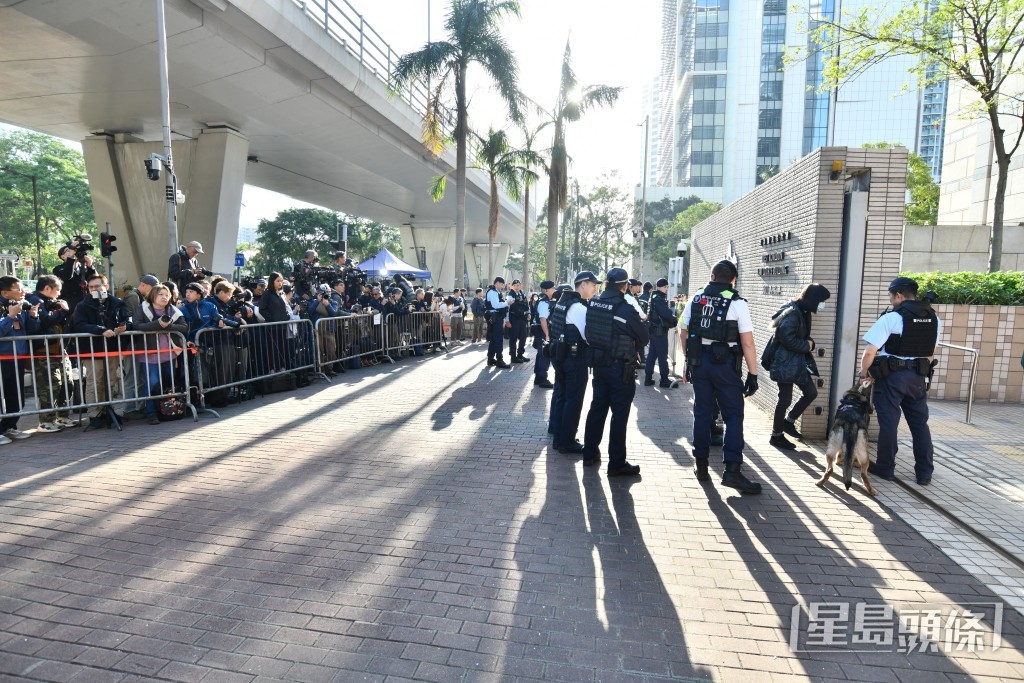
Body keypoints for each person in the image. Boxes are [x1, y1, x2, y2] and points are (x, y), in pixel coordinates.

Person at [679, 259, 762, 494]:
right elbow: (747, 343)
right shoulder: (737, 304)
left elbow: (683, 331)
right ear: (733, 280)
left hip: (699, 363)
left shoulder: (696, 298)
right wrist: (753, 374)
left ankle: (702, 465)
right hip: (725, 365)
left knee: (702, 413)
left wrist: (689, 360)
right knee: (733, 416)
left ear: (712, 277)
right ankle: (732, 471)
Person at [860, 276, 941, 486]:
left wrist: (863, 372)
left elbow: (870, 352)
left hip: (891, 378)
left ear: (899, 295)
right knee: (920, 425)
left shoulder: (891, 318)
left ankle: (886, 467)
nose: (890, 299)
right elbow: (930, 353)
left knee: (889, 423)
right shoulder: (934, 319)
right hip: (917, 378)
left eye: (890, 295)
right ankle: (924, 473)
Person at [581, 268, 650, 476]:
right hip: (620, 368)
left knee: (597, 409)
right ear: (624, 286)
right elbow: (644, 337)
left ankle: (589, 453)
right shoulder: (625, 309)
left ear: (605, 284)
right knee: (619, 415)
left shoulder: (593, 304)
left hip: (599, 366)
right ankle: (617, 463)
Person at [767, 283, 832, 450]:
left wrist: (809, 343)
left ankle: (788, 422)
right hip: (786, 362)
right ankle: (776, 435)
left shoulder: (803, 311)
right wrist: (807, 345)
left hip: (797, 362)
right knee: (785, 399)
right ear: (813, 299)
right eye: (821, 301)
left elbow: (802, 336)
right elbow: (786, 337)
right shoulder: (793, 313)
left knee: (811, 392)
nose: (822, 305)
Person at [71, 273, 129, 425]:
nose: (94, 289)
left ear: (106, 287)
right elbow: (79, 325)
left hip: (112, 348)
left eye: (97, 286)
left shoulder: (117, 303)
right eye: (91, 287)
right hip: (92, 350)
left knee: (110, 381)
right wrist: (100, 330)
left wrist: (124, 326)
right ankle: (95, 414)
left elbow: (127, 319)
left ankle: (107, 410)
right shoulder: (83, 305)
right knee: (94, 382)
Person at [549, 275, 598, 453]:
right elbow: (588, 336)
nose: (594, 289)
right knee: (574, 400)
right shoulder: (578, 308)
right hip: (575, 359)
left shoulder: (563, 303)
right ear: (583, 285)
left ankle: (560, 437)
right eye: (593, 285)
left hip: (561, 357)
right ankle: (567, 441)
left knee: (562, 396)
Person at [131, 285, 187, 424]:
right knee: (153, 384)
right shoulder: (142, 308)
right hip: (149, 354)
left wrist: (168, 326)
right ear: (153, 296)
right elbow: (137, 325)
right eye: (160, 294)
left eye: (166, 295)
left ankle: (168, 410)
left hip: (170, 354)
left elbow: (184, 327)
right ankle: (152, 412)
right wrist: (157, 324)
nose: (164, 297)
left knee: (169, 383)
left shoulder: (174, 310)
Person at [26, 275, 74, 432]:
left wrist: (62, 311)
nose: (59, 294)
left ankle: (62, 415)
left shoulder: (49, 303)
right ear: (47, 288)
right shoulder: (35, 301)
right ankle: (46, 421)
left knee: (67, 383)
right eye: (57, 290)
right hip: (44, 351)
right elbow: (45, 321)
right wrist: (63, 311)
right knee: (49, 386)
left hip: (59, 349)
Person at [0, 276, 40, 444]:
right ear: (5, 292)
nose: (23, 291)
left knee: (16, 396)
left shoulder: (21, 305)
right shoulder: (7, 308)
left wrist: (32, 316)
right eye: (19, 288)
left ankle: (9, 427)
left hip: (17, 358)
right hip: (2, 359)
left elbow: (31, 330)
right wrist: (10, 316)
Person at [644, 277, 679, 387]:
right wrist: (675, 319)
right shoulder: (659, 298)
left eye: (667, 287)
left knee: (652, 355)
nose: (667, 289)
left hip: (654, 331)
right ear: (658, 287)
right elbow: (667, 314)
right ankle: (664, 379)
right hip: (659, 332)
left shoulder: (654, 296)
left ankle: (648, 378)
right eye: (665, 287)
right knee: (662, 355)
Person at [53, 244, 96, 314]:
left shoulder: (84, 268)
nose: (74, 252)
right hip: (70, 307)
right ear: (62, 256)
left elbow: (96, 280)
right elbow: (67, 276)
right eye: (68, 250)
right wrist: (71, 258)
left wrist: (90, 266)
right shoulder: (58, 269)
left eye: (75, 250)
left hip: (86, 304)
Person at [532, 280, 557, 388]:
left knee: (541, 354)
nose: (554, 289)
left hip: (542, 331)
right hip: (543, 332)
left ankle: (538, 377)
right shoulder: (543, 303)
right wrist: (547, 334)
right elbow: (543, 320)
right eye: (553, 288)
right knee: (544, 355)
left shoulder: (546, 301)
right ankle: (542, 379)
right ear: (547, 290)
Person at [485, 277, 511, 368]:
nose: (503, 286)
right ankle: (499, 360)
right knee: (498, 339)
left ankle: (491, 359)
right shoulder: (493, 292)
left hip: (496, 318)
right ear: (497, 283)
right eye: (502, 284)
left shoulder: (496, 292)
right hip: (495, 318)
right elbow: (496, 305)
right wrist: (507, 302)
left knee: (493, 339)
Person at [506, 279, 530, 363]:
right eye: (515, 285)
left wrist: (528, 314)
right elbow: (507, 309)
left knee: (523, 337)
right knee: (513, 339)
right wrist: (507, 320)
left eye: (518, 285)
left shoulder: (522, 295)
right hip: (514, 320)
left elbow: (526, 306)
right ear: (512, 286)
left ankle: (520, 354)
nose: (516, 287)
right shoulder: (510, 296)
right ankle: (513, 357)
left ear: (521, 286)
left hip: (522, 320)